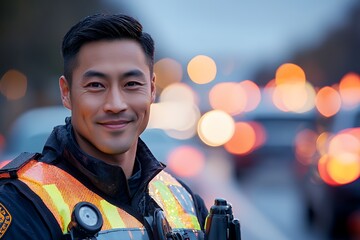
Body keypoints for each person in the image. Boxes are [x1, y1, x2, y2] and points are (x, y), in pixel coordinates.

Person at [0, 13, 208, 239]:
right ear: (66, 93)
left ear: (151, 89)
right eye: (96, 85)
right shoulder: (22, 204)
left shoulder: (184, 200)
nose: (116, 104)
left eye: (131, 84)